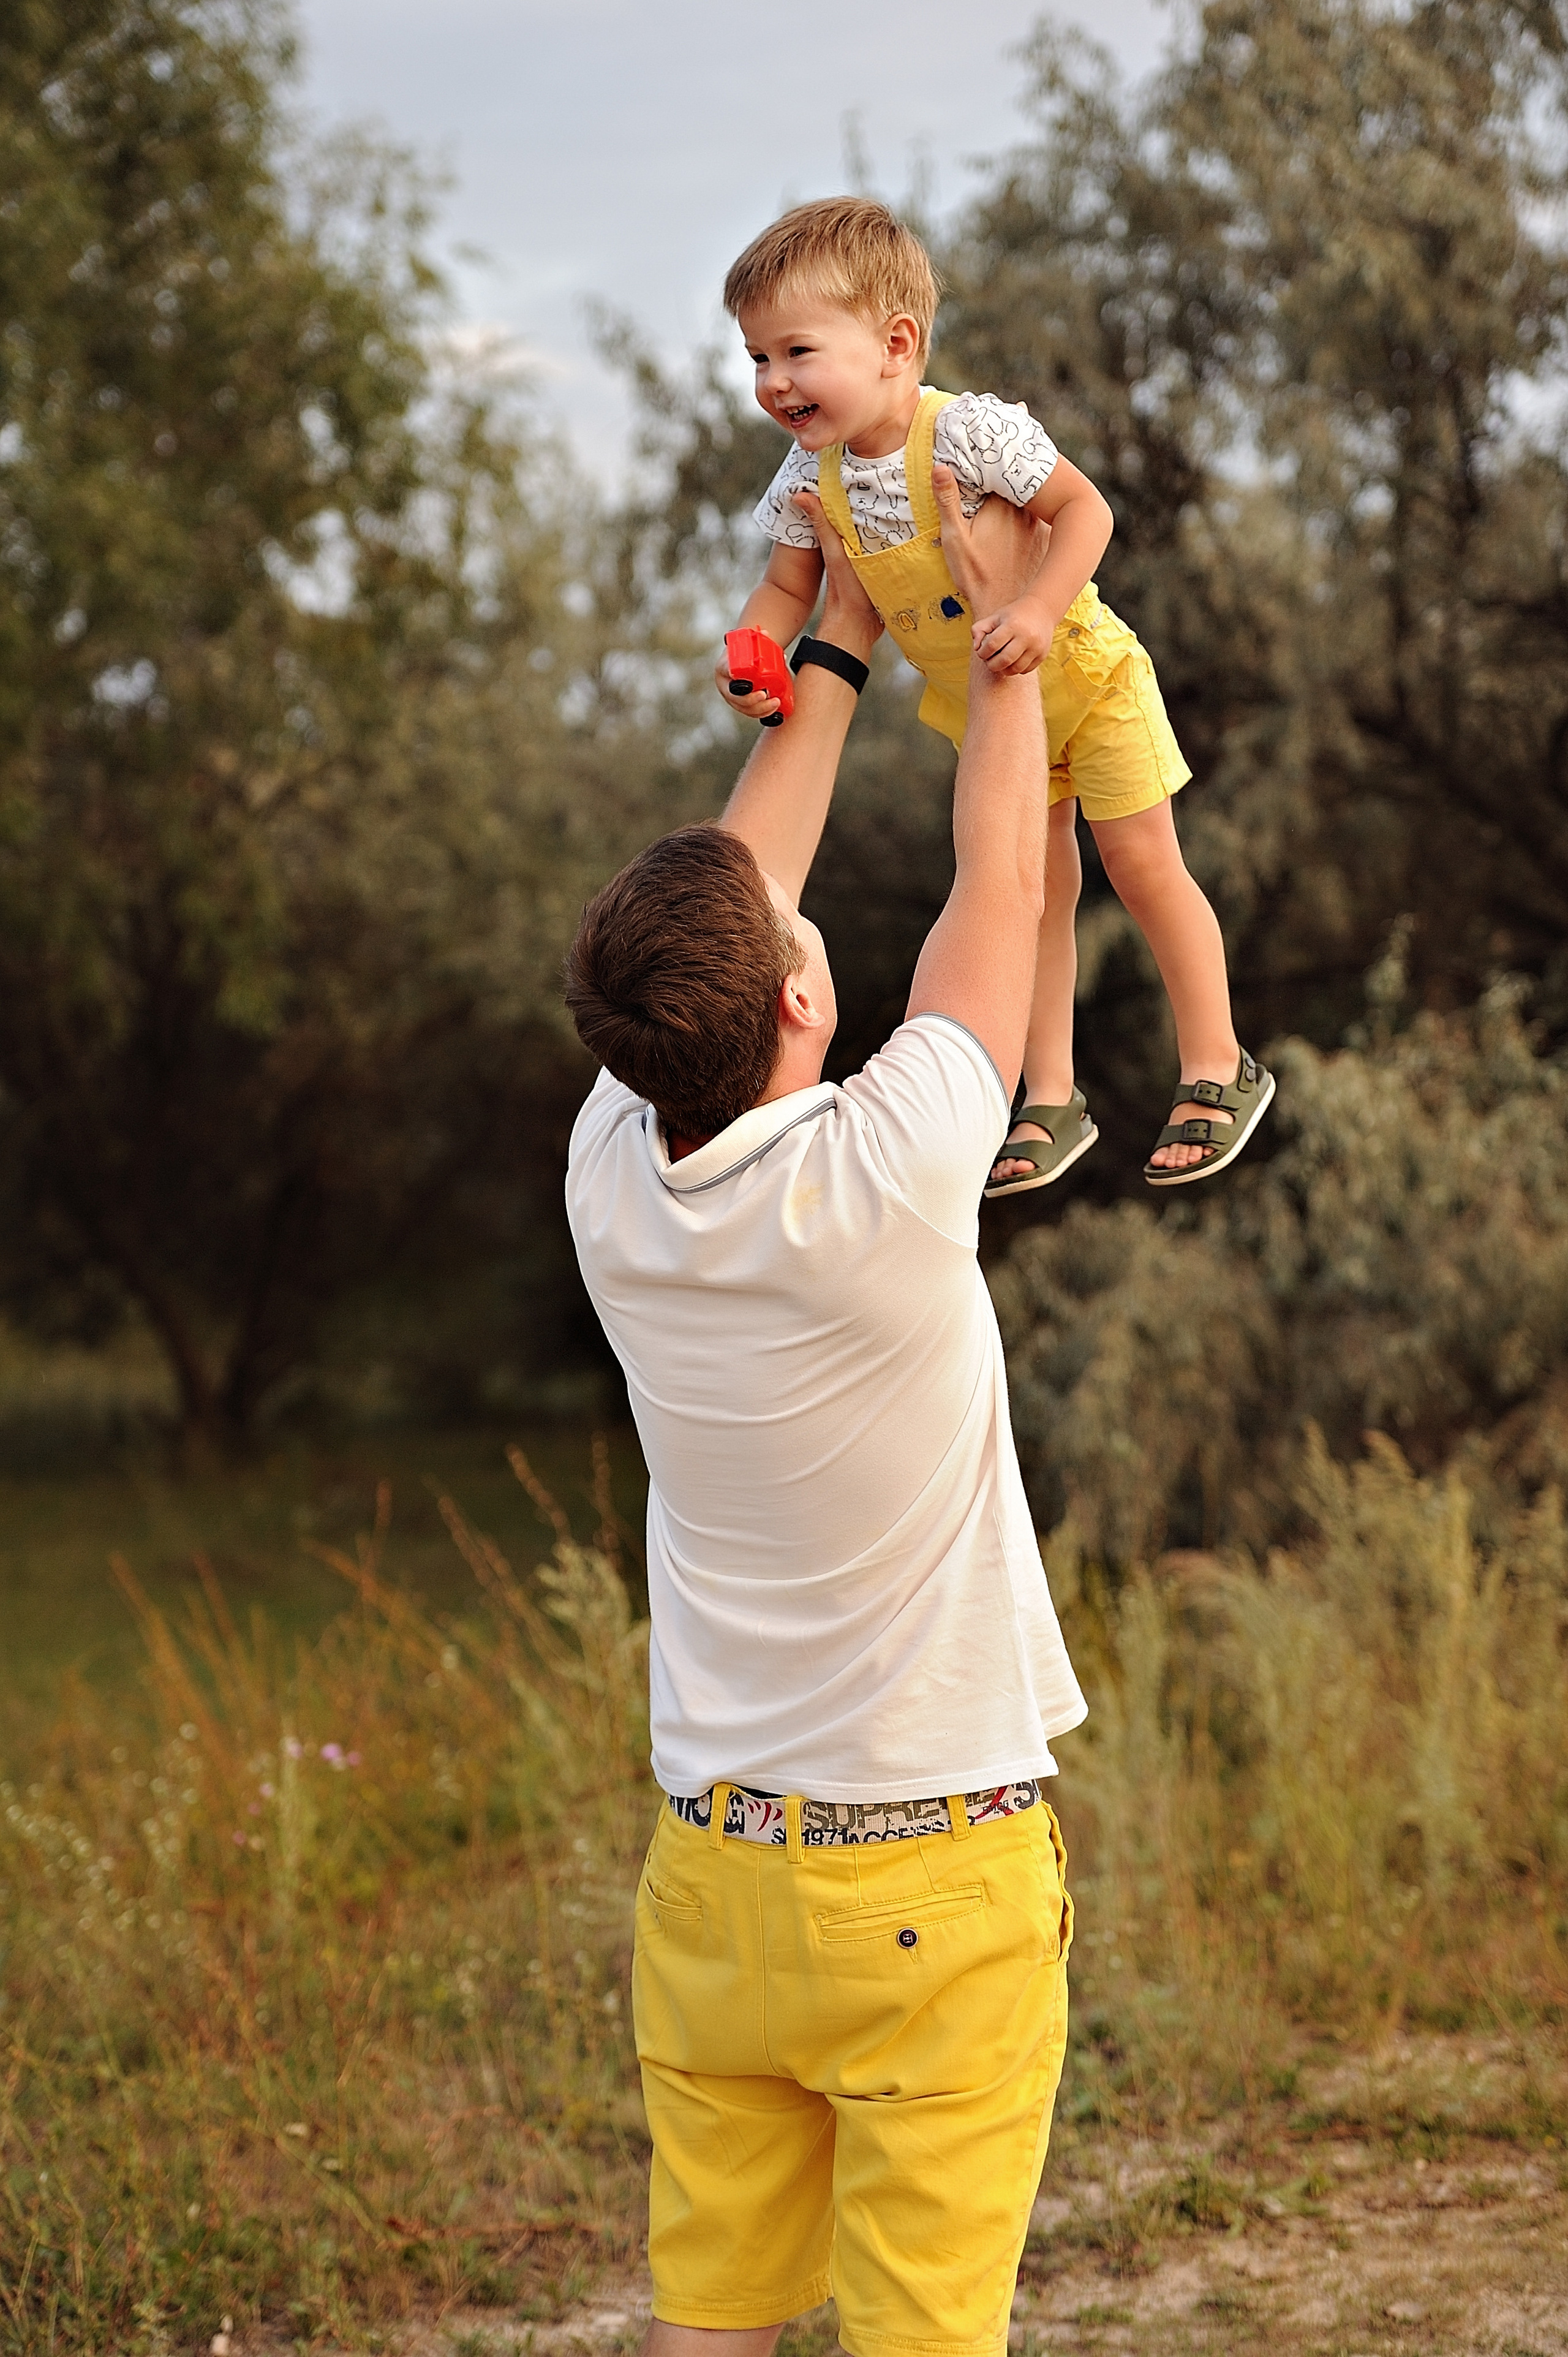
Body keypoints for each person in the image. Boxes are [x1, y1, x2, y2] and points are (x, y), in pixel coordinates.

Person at [564, 480, 1085, 2357]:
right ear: (800, 1000)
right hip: (927, 1883)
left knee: (709, 2326)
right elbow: (1002, 888)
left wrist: (844, 633)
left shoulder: (614, 1168)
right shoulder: (891, 1171)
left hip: (715, 1885)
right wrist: (1012, 632)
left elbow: (739, 898)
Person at [718, 195, 1275, 1194]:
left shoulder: (968, 434)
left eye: (797, 352)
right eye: (758, 357)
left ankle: (1217, 1061)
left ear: (896, 345)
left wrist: (1039, 607)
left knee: (1142, 866)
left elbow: (1085, 510)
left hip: (1086, 679)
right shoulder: (813, 472)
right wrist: (755, 650)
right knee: (1031, 895)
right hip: (992, 713)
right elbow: (789, 587)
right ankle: (1051, 1095)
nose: (773, 381)